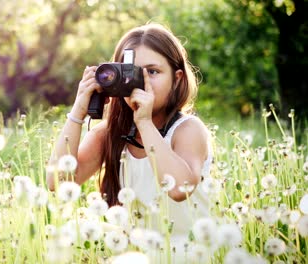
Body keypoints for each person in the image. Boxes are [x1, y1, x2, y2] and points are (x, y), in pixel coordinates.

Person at [47, 23, 212, 245]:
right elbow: (58, 183)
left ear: (177, 78)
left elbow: (179, 188)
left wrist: (144, 122)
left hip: (189, 251)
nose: (141, 82)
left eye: (153, 72)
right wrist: (78, 111)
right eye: (130, 73)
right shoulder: (108, 135)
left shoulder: (187, 129)